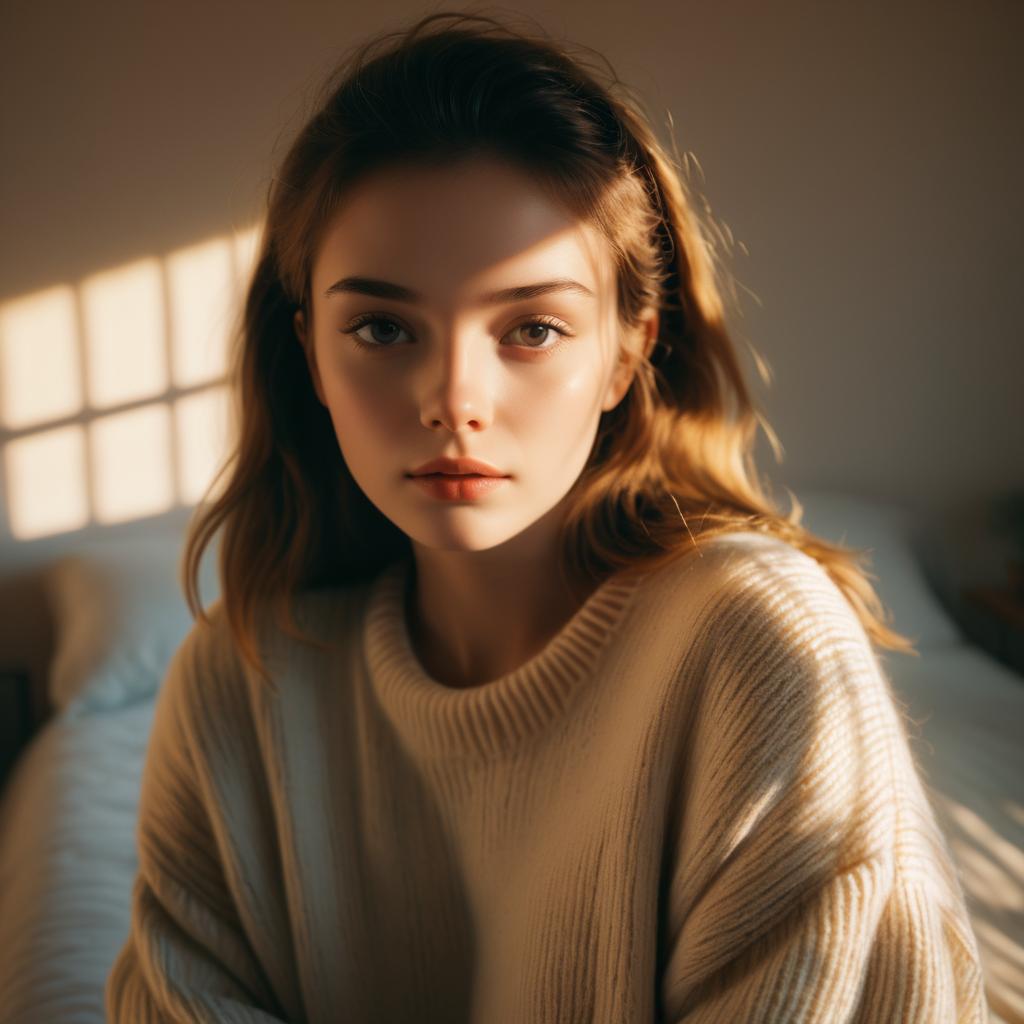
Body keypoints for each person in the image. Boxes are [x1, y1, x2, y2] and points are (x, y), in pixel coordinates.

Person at [105, 11, 989, 1023]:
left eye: (530, 327)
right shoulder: (239, 683)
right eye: (382, 327)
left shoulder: (752, 644)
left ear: (626, 350)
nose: (453, 396)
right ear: (310, 350)